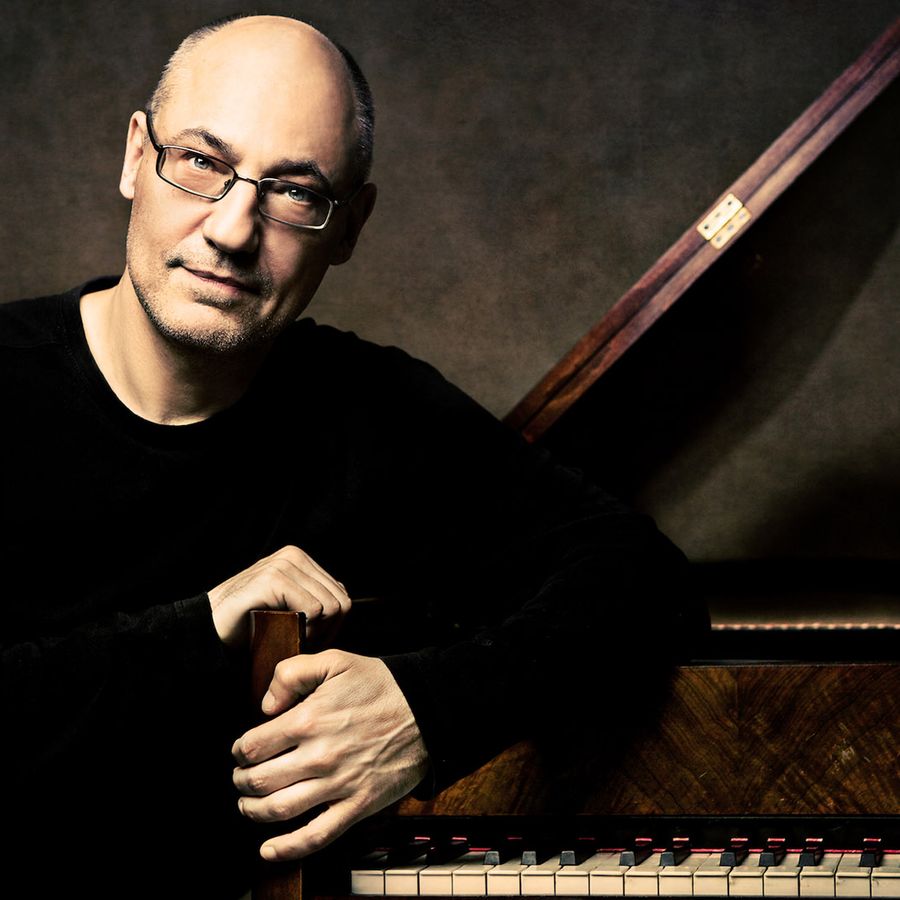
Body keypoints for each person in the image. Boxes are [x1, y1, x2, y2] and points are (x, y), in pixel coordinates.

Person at [1, 13, 701, 898]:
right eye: (202, 163)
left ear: (350, 226)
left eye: (294, 192)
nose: (232, 229)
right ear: (137, 156)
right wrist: (200, 627)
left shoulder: (371, 413)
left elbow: (642, 576)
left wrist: (425, 710)